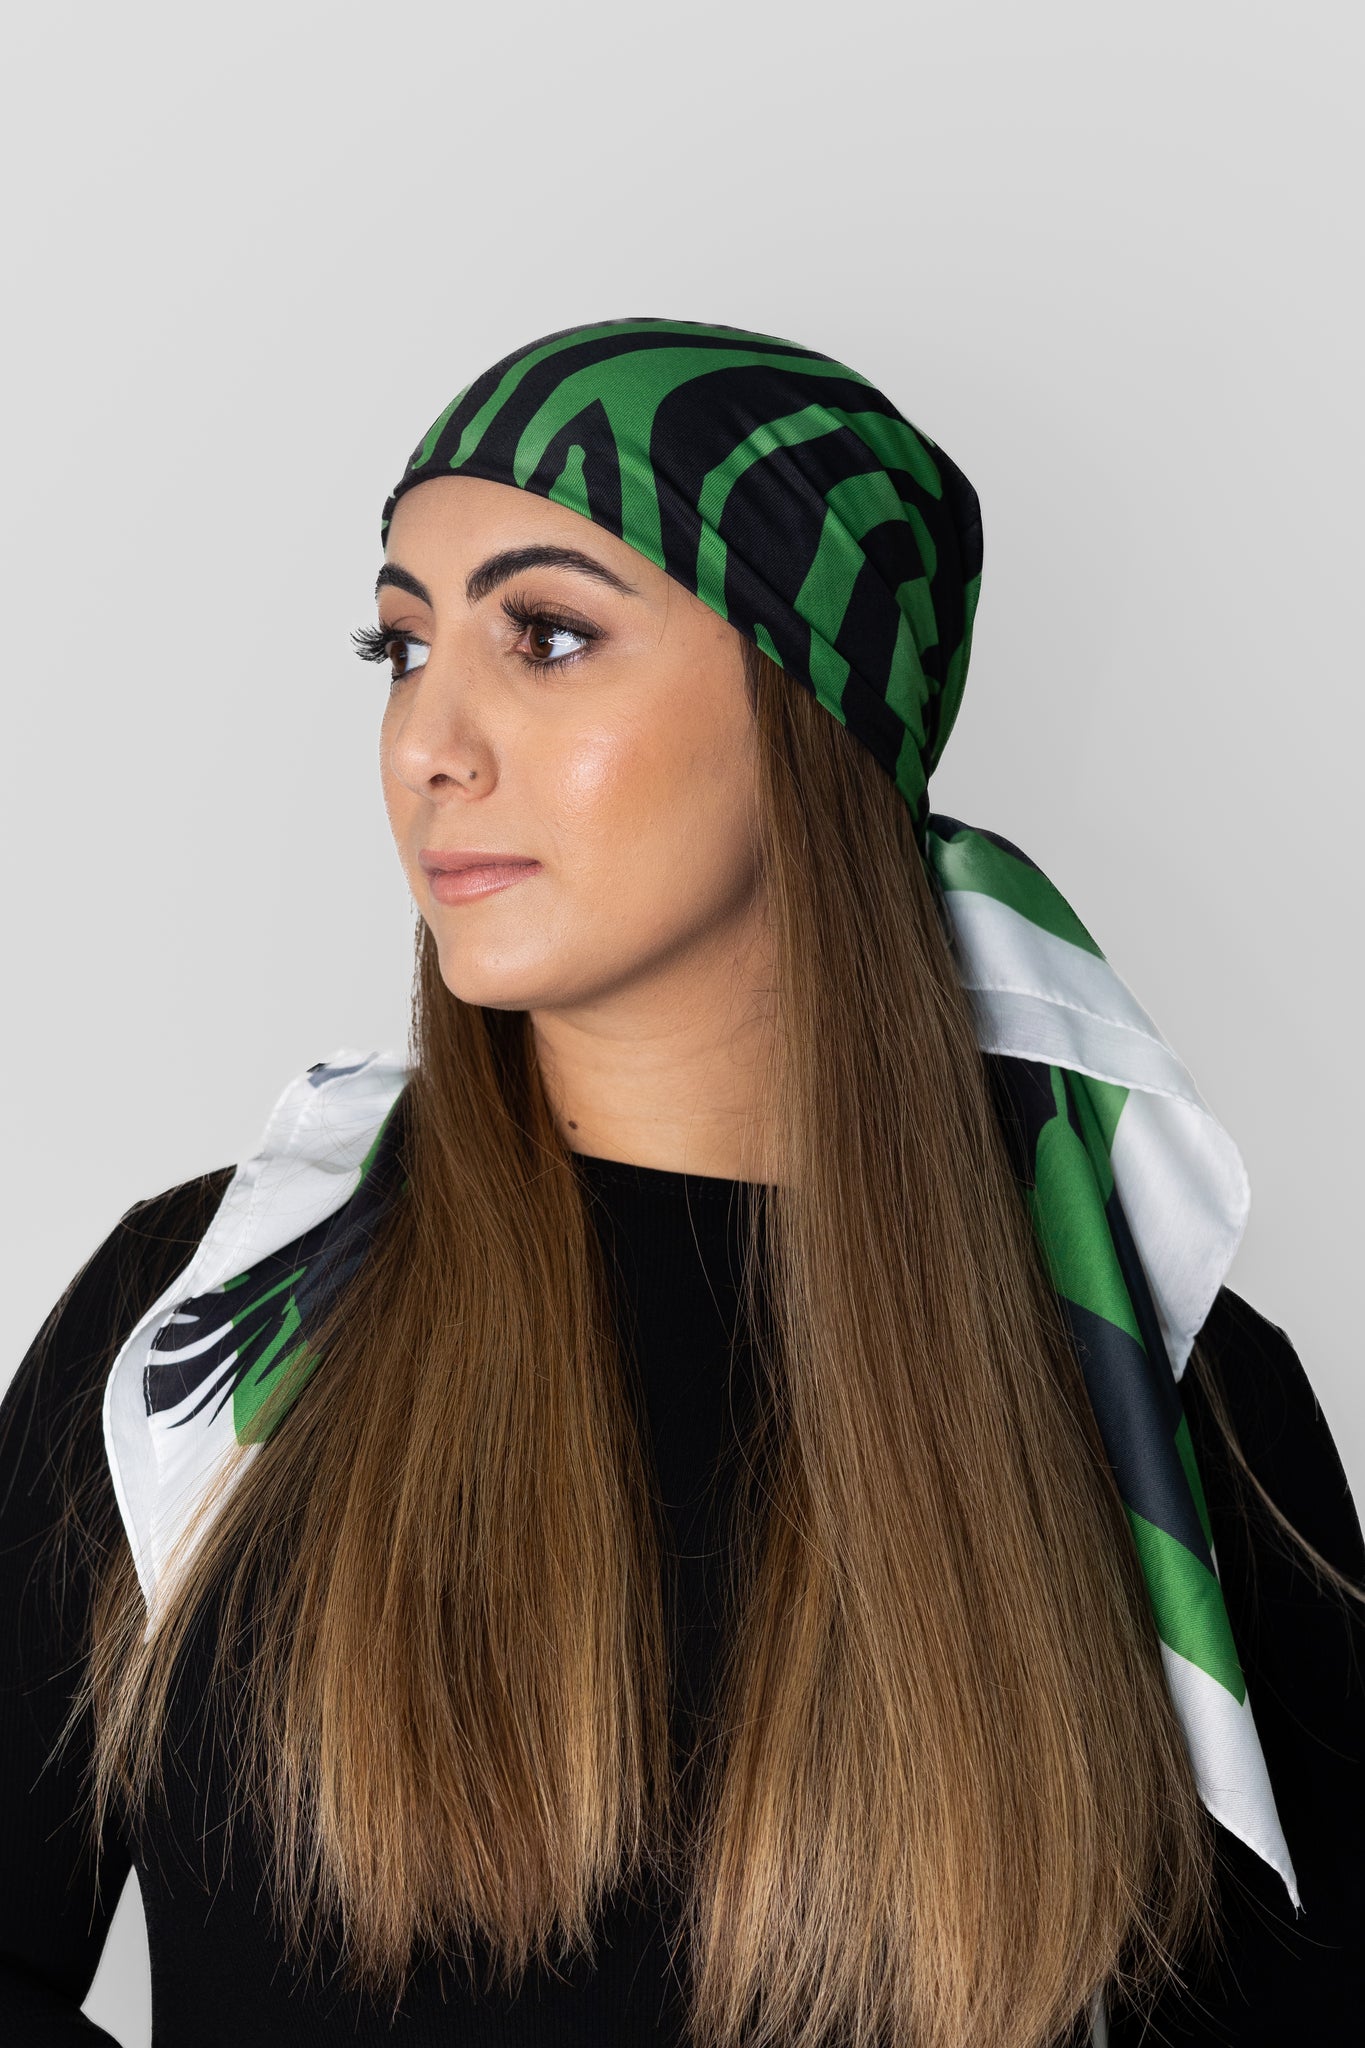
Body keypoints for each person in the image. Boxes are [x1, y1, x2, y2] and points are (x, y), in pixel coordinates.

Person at [2, 317, 1361, 2048]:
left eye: (547, 636)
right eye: (399, 647)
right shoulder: (216, 1319)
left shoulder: (1157, 1396)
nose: (427, 744)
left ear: (812, 715)